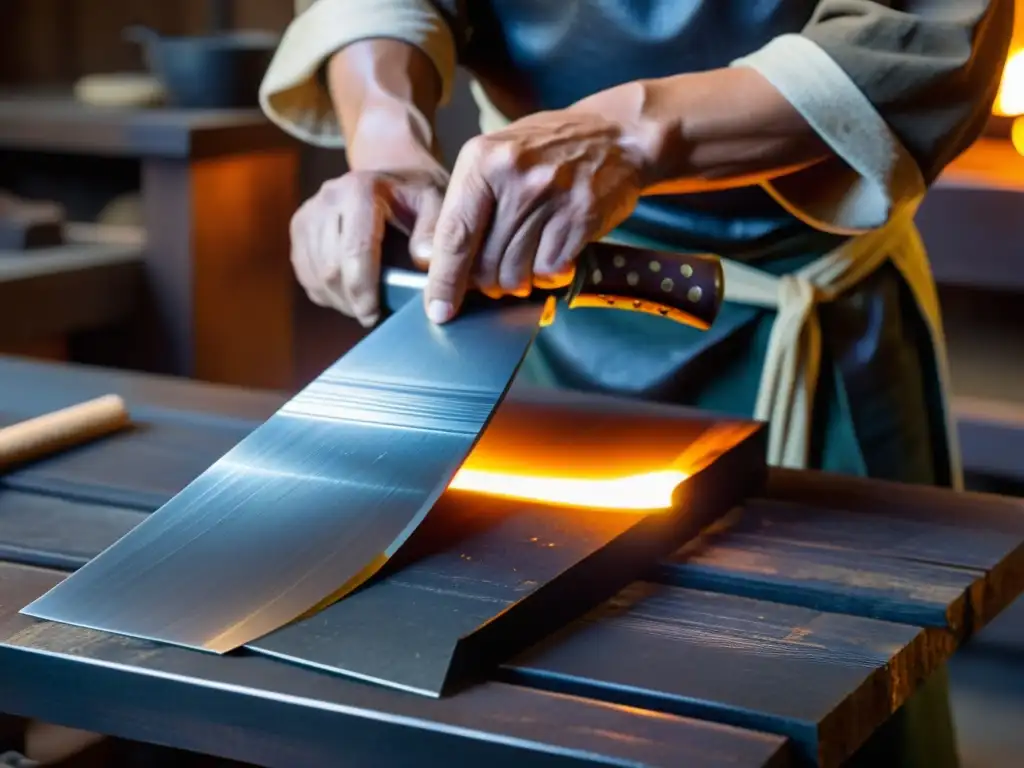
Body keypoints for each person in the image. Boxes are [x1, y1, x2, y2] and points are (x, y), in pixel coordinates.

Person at [260, 2, 1012, 765]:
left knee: (844, 707)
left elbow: (929, 31)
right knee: (553, 688)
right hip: (542, 319)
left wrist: (632, 130)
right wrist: (385, 137)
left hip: (819, 319)